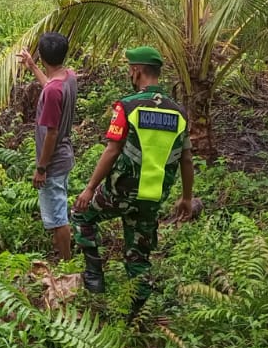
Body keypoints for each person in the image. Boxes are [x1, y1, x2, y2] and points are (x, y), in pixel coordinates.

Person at [72, 45, 194, 311]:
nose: (130, 73)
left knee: (82, 214)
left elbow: (112, 149)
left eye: (130, 69)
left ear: (137, 71)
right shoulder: (180, 113)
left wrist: (90, 188)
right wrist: (186, 197)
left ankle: (94, 276)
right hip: (153, 196)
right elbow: (186, 159)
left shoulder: (127, 106)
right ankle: (137, 317)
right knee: (138, 253)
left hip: (120, 191)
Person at [18, 33, 78, 259]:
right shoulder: (68, 77)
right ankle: (62, 254)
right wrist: (33, 67)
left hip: (53, 161)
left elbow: (51, 133)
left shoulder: (54, 90)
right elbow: (50, 87)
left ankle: (66, 263)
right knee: (57, 210)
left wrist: (41, 168)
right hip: (65, 155)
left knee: (57, 217)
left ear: (42, 56)